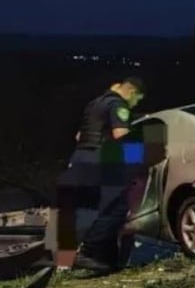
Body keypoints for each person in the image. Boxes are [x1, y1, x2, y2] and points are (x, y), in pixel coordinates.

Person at [55, 76, 146, 272]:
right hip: (99, 160)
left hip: (79, 158)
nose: (135, 103)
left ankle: (67, 260)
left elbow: (79, 135)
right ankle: (87, 253)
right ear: (131, 92)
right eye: (137, 99)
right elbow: (121, 135)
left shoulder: (93, 104)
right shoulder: (118, 105)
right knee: (117, 208)